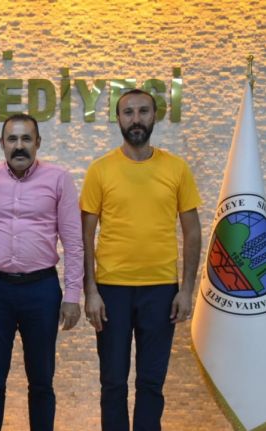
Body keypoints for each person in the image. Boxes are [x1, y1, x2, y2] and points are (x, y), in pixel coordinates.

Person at [80, 89, 202, 431]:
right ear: (118, 119)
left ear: (154, 116)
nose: (136, 119)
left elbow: (193, 232)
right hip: (111, 290)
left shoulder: (176, 168)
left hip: (161, 290)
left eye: (143, 111)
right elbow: (85, 236)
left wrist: (186, 290)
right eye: (128, 112)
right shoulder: (100, 170)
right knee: (113, 383)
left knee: (151, 383)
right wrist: (90, 291)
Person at [0, 113, 83, 431]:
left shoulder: (59, 179)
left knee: (42, 381)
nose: (19, 146)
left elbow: (73, 243)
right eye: (13, 139)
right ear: (2, 143)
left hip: (41, 291)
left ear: (38, 143)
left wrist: (72, 295)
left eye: (26, 139)